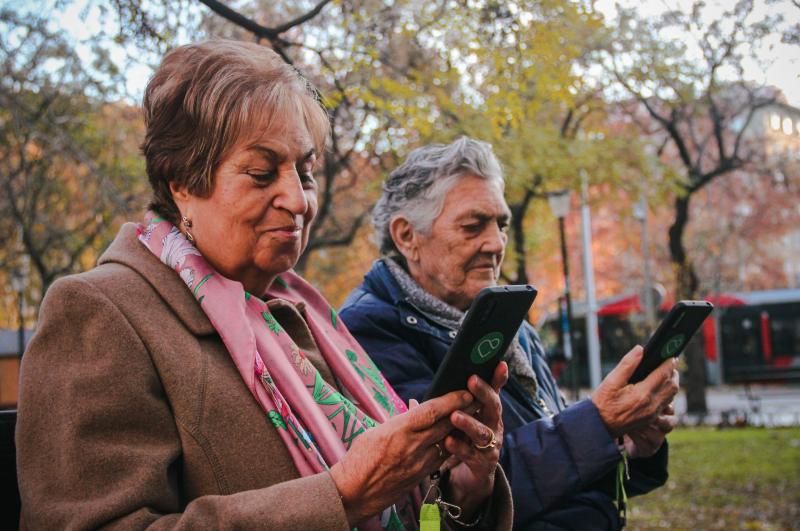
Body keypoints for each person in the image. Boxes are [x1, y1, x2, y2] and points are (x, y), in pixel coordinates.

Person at [15, 42, 514, 530]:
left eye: (306, 172)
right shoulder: (99, 312)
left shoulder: (306, 313)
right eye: (261, 173)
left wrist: (462, 492)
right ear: (182, 182)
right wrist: (340, 497)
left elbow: (405, 504)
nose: (297, 201)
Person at [339, 137, 679, 530]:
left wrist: (631, 446)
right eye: (473, 226)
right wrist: (599, 423)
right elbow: (458, 489)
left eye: (501, 225)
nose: (496, 244)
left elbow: (562, 468)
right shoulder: (370, 331)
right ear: (406, 236)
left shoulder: (507, 324)